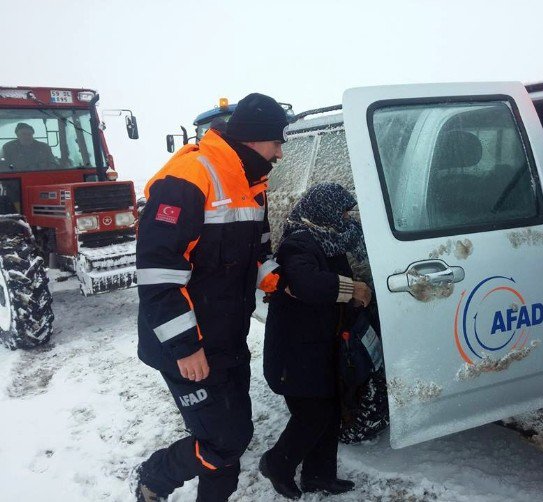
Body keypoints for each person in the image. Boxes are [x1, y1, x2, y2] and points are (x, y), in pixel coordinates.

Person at [133, 93, 289, 502]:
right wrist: (186, 347)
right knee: (224, 440)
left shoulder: (254, 185)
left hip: (226, 338)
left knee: (231, 437)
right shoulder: (188, 177)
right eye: (278, 142)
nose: (281, 153)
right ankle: (155, 476)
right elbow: (158, 275)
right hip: (185, 347)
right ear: (256, 139)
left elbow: (258, 251)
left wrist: (281, 285)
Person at [261, 183, 372, 499]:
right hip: (294, 354)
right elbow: (306, 283)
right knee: (313, 414)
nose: (348, 219)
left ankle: (319, 475)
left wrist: (351, 300)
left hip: (320, 347)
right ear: (324, 213)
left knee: (331, 409)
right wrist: (350, 289)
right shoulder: (298, 245)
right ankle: (277, 463)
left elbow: (328, 291)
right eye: (343, 213)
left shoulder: (330, 241)